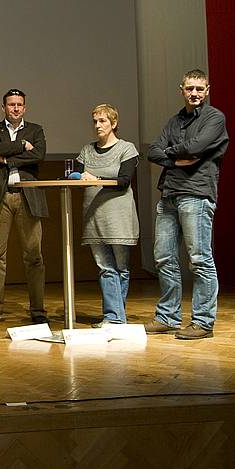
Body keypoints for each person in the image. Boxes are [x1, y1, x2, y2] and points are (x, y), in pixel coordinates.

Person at [145, 69, 228, 340]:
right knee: (164, 257)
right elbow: (153, 151)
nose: (194, 93)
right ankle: (168, 317)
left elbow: (196, 146)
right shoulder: (174, 121)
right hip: (169, 193)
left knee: (199, 259)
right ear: (181, 89)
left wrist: (171, 151)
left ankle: (203, 322)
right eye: (190, 88)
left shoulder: (214, 118)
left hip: (196, 194)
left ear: (207, 91)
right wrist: (176, 158)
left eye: (199, 89)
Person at [0, 88, 48, 325]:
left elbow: (39, 155)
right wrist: (21, 145)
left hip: (27, 198)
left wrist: (8, 159)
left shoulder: (36, 130)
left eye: (19, 104)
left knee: (34, 256)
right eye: (11, 104)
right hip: (0, 198)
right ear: (4, 107)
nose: (16, 108)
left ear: (25, 108)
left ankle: (38, 310)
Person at [75, 104, 140, 326]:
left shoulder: (126, 148)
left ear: (114, 123)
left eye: (102, 121)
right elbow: (77, 174)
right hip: (94, 215)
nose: (97, 125)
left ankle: (115, 317)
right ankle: (114, 317)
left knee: (121, 268)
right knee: (105, 267)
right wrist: (80, 176)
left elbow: (124, 181)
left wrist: (96, 178)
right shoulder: (87, 150)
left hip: (118, 216)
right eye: (95, 121)